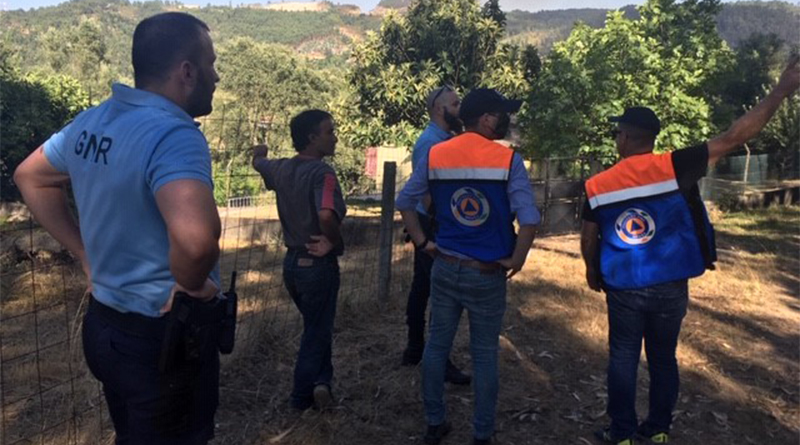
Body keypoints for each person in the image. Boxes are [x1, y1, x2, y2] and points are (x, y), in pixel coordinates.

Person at [14, 12, 222, 445]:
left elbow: (30, 176)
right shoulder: (174, 134)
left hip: (104, 329)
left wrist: (84, 253)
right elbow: (197, 243)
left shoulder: (92, 121)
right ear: (187, 72)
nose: (216, 77)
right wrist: (191, 284)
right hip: (161, 337)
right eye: (211, 64)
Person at [581, 56, 800, 445]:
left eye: (618, 134)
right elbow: (734, 136)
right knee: (664, 358)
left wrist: (592, 271)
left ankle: (622, 433)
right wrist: (781, 90)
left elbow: (588, 237)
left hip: (624, 287)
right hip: (671, 284)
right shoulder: (676, 166)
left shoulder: (598, 184)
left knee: (623, 357)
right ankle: (659, 430)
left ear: (625, 138)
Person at [397, 88, 541, 445]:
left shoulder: (436, 154)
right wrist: (517, 259)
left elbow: (405, 201)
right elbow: (529, 219)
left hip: (445, 267)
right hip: (487, 273)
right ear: (487, 119)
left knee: (436, 347)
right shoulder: (509, 161)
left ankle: (435, 423)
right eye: (502, 114)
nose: (506, 120)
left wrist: (423, 243)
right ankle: (482, 433)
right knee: (485, 354)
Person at [251, 109, 346, 411]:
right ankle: (300, 398)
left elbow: (259, 163)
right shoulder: (323, 173)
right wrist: (334, 242)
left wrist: (259, 154)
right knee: (316, 332)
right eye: (329, 132)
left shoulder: (280, 168)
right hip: (317, 266)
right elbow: (326, 214)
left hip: (291, 266)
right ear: (312, 138)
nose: (335, 138)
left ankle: (322, 383)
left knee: (317, 325)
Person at [401, 86, 470, 386]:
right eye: (456, 104)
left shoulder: (443, 139)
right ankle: (436, 359)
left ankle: (415, 349)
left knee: (422, 287)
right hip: (432, 223)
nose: (460, 109)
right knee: (440, 291)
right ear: (440, 109)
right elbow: (426, 191)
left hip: (429, 221)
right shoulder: (430, 143)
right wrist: (440, 225)